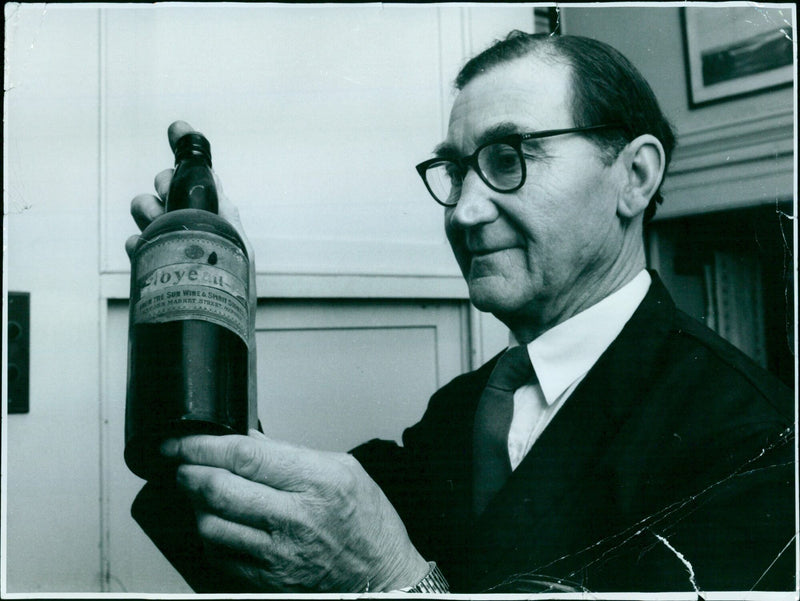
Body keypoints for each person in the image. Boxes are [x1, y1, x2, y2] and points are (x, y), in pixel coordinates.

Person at [128, 31, 795, 593]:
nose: (466, 211)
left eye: (510, 158)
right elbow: (271, 552)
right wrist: (215, 315)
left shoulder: (753, 443)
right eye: (455, 172)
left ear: (635, 176)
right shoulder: (462, 411)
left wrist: (397, 579)